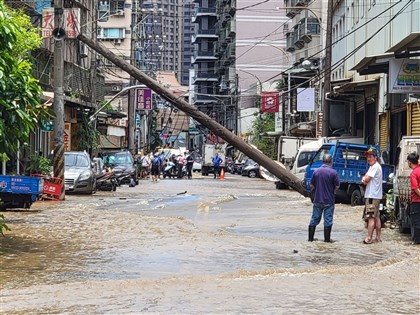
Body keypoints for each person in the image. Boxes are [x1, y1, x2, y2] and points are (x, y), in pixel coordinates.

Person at [308, 153, 340, 242]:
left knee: (314, 219)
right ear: (331, 161)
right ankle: (327, 240)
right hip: (329, 200)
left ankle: (310, 239)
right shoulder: (333, 173)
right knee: (328, 220)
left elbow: (312, 185)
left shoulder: (316, 171)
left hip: (317, 199)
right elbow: (337, 186)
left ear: (322, 161)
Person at [361, 147, 383, 244]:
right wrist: (364, 178)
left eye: (370, 156)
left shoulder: (374, 167)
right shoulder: (374, 166)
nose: (368, 159)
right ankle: (378, 238)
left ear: (375, 157)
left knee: (370, 218)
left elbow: (366, 179)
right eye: (367, 157)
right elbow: (365, 177)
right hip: (376, 196)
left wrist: (364, 179)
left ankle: (369, 238)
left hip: (371, 196)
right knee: (376, 217)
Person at [407, 152, 420, 244]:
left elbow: (415, 188)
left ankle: (417, 242)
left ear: (409, 162)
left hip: (416, 201)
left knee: (416, 222)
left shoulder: (413, 174)